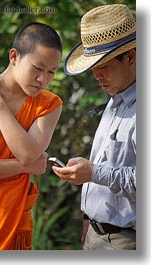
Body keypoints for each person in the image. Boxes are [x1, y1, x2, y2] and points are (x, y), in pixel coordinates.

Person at [0, 22, 63, 250]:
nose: (43, 80)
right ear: (14, 57)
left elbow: (28, 153)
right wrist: (24, 167)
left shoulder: (49, 104)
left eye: (51, 72)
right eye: (37, 69)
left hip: (16, 220)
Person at [52, 4, 136, 250]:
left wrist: (93, 173)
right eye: (93, 68)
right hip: (96, 234)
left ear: (130, 57)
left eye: (103, 66)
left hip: (126, 241)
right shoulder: (115, 99)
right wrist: (90, 218)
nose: (96, 76)